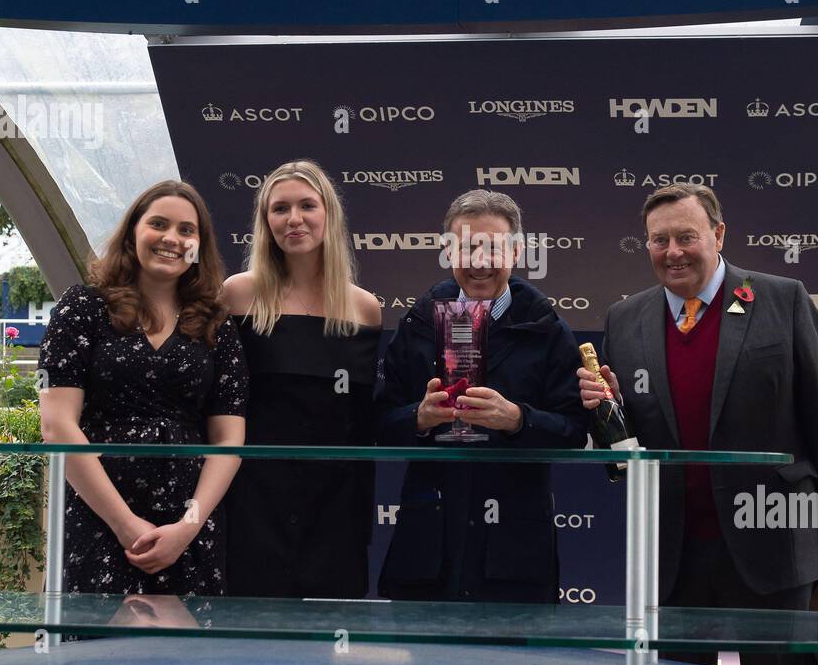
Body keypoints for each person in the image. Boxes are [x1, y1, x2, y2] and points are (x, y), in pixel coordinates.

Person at [578, 183, 818, 665]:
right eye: (659, 240)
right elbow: (623, 456)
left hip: (773, 541)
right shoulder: (624, 317)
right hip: (671, 557)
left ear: (719, 235)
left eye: (686, 237)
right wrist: (603, 410)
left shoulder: (782, 299)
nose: (672, 252)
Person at [376, 189, 588, 603]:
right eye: (468, 247)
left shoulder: (546, 328)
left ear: (516, 252)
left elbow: (575, 431)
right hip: (428, 547)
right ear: (447, 250)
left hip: (514, 550)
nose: (480, 262)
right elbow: (381, 422)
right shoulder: (419, 322)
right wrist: (418, 418)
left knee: (509, 664)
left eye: (493, 248)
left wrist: (517, 420)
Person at [38, 180, 247, 597]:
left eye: (187, 230)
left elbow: (229, 438)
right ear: (133, 233)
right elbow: (57, 425)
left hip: (189, 529)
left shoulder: (216, 325)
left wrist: (187, 528)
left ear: (198, 247)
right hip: (98, 518)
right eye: (158, 224)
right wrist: (124, 523)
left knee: (188, 659)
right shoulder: (82, 308)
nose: (172, 238)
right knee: (95, 655)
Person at [222, 160, 382, 598]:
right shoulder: (237, 294)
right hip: (253, 499)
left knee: (330, 646)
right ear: (265, 221)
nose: (294, 219)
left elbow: (361, 420)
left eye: (307, 206)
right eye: (280, 208)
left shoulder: (364, 308)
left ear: (328, 214)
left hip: (335, 506)